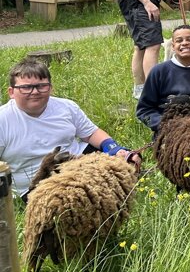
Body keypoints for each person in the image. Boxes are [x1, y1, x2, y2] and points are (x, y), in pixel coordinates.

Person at [0, 59, 140, 199]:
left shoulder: (66, 107)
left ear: (51, 88)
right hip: (36, 184)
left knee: (128, 160)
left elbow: (91, 134)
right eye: (26, 87)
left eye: (42, 86)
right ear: (11, 92)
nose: (35, 92)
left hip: (77, 161)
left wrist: (113, 148)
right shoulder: (3, 119)